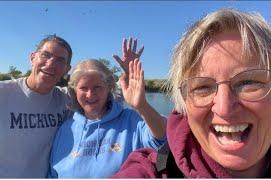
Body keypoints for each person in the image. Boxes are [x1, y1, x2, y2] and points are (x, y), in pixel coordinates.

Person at [112, 9, 271, 178]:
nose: (224, 108)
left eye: (248, 82)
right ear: (184, 102)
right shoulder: (151, 171)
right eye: (202, 87)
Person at [47, 39, 167, 178]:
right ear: (74, 91)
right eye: (83, 88)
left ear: (109, 87)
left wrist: (142, 106)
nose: (90, 94)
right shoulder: (66, 128)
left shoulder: (131, 120)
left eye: (97, 87)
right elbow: (52, 173)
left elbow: (162, 138)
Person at [0, 35, 72, 178]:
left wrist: (129, 77)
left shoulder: (68, 100)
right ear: (33, 58)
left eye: (60, 60)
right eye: (46, 55)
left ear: (66, 69)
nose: (51, 63)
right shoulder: (3, 93)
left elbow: (106, 98)